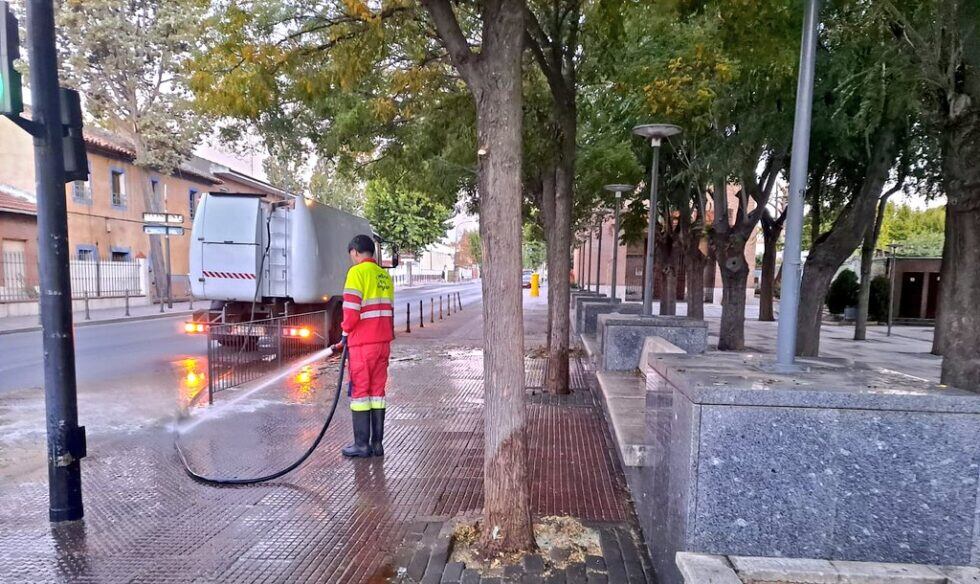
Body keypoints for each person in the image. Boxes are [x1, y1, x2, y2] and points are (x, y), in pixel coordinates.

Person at [338, 234, 394, 458]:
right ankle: (377, 445)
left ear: (354, 252)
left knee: (360, 394)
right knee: (377, 392)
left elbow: (351, 312)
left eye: (351, 254)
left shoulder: (357, 273)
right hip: (383, 342)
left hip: (363, 344)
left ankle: (361, 445)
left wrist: (344, 333)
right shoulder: (384, 276)